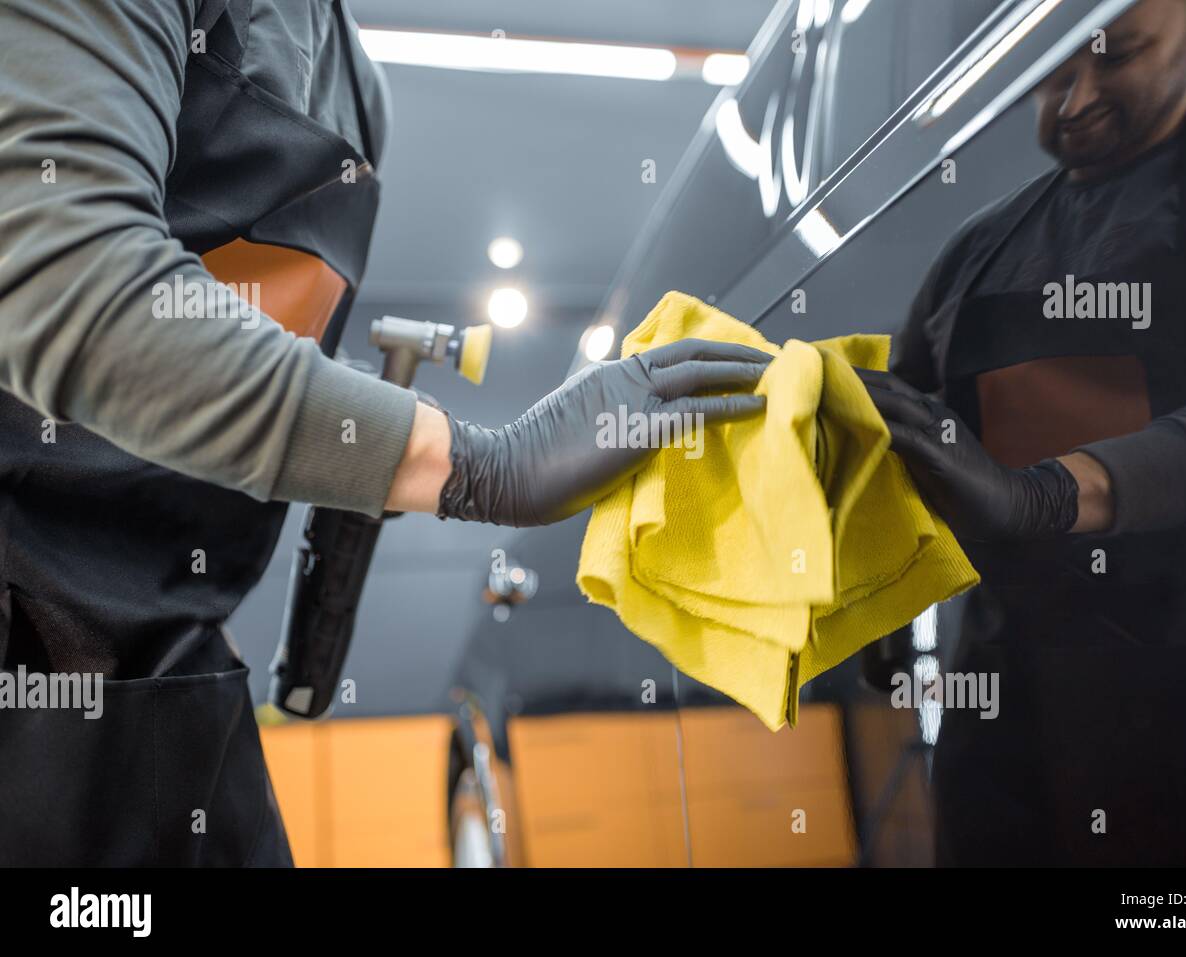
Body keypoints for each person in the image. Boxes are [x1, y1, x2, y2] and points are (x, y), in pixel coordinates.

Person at [0, 0, 768, 865]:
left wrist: (362, 433)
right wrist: (475, 464)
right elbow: (60, 284)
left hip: (166, 666)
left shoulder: (356, 88)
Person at [861, 0, 1186, 865]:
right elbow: (902, 441)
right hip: (1012, 721)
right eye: (1054, 70)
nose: (1075, 100)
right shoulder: (976, 251)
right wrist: (886, 585)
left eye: (1120, 56)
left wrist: (1044, 495)